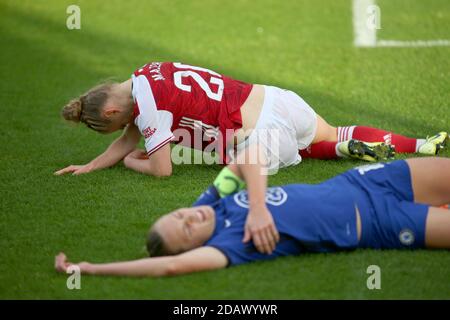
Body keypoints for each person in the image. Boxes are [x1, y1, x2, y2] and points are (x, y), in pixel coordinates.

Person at [55, 145, 450, 277]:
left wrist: (258, 208)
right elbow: (169, 267)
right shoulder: (228, 245)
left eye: (179, 216)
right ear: (195, 247)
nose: (190, 219)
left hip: (363, 182)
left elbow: (250, 156)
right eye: (187, 231)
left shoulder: (208, 205)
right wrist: (90, 268)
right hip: (381, 224)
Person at [55, 61, 447, 176]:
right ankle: (424, 144)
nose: (127, 131)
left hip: (259, 136)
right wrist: (90, 166)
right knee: (333, 131)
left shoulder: (151, 110)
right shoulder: (146, 71)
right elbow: (129, 132)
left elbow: (161, 169)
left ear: (110, 111)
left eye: (110, 124)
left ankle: (332, 150)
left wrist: (129, 162)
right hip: (276, 98)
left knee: (236, 160)